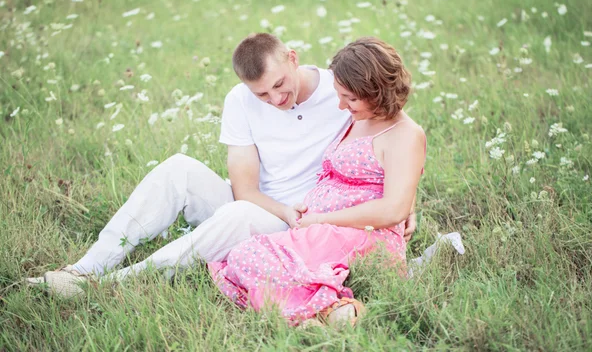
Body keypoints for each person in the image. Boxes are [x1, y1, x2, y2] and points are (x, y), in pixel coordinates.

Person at [31, 33, 417, 297]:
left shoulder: (341, 91)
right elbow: (245, 190)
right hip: (270, 207)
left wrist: (407, 204)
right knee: (179, 168)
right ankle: (85, 270)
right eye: (262, 93)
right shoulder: (240, 100)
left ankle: (119, 282)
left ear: (293, 58)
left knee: (238, 217)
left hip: (308, 220)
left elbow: (392, 133)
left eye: (280, 84)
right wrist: (282, 208)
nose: (276, 98)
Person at [209, 37, 426, 326]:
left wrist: (322, 219)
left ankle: (315, 311)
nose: (339, 105)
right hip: (329, 228)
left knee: (246, 257)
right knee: (246, 256)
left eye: (348, 97)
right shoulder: (359, 116)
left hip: (361, 231)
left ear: (375, 91)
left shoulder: (405, 133)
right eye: (338, 95)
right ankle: (325, 312)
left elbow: (392, 210)